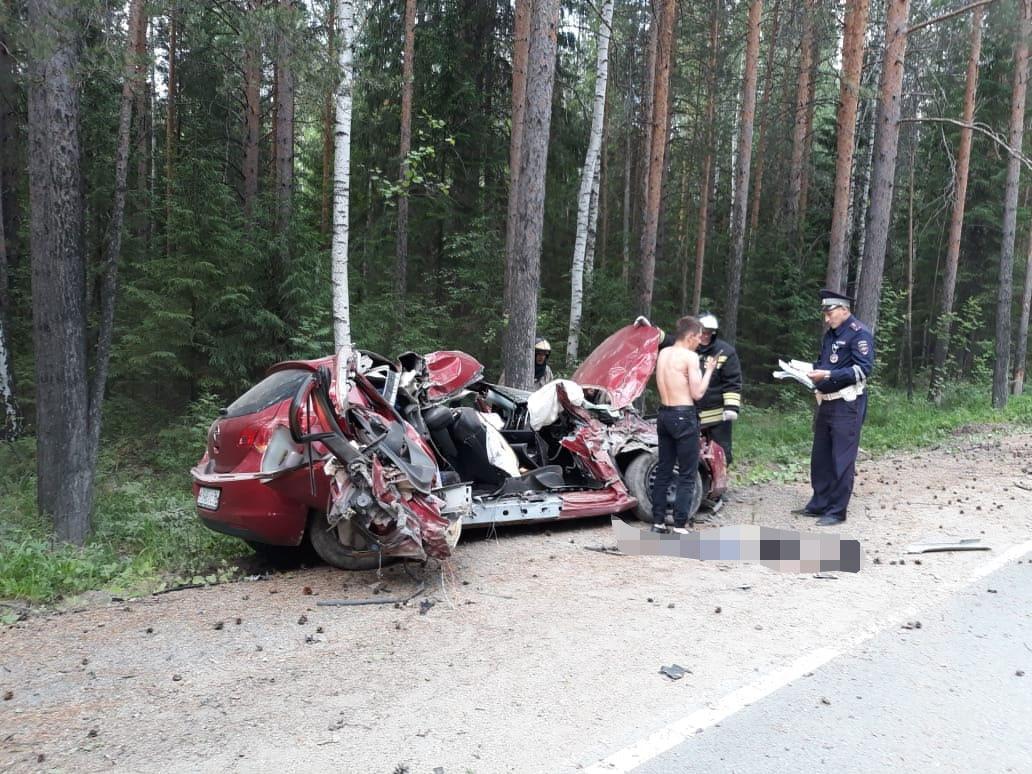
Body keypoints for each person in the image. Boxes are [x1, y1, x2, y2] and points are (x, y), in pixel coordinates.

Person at [793, 288, 875, 526]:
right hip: (826, 402)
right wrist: (808, 372)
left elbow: (863, 370)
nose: (826, 318)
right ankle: (820, 503)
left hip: (847, 404)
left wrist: (829, 373)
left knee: (841, 458)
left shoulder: (859, 335)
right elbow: (824, 362)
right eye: (825, 313)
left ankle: (837, 510)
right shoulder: (830, 335)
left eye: (830, 313)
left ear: (844, 310)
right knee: (821, 457)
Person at [651, 316, 717, 534]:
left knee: (664, 469)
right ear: (689, 337)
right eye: (698, 337)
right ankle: (680, 524)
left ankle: (658, 521)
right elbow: (697, 393)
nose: (700, 341)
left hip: (664, 415)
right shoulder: (689, 357)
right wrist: (709, 370)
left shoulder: (663, 353)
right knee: (687, 473)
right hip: (684, 415)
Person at [695, 313, 742, 468]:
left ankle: (719, 487)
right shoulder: (686, 347)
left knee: (720, 453)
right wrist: (650, 330)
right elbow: (667, 341)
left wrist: (731, 408)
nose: (705, 336)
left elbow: (732, 382)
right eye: (702, 332)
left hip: (717, 415)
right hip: (691, 414)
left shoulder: (726, 352)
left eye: (709, 332)